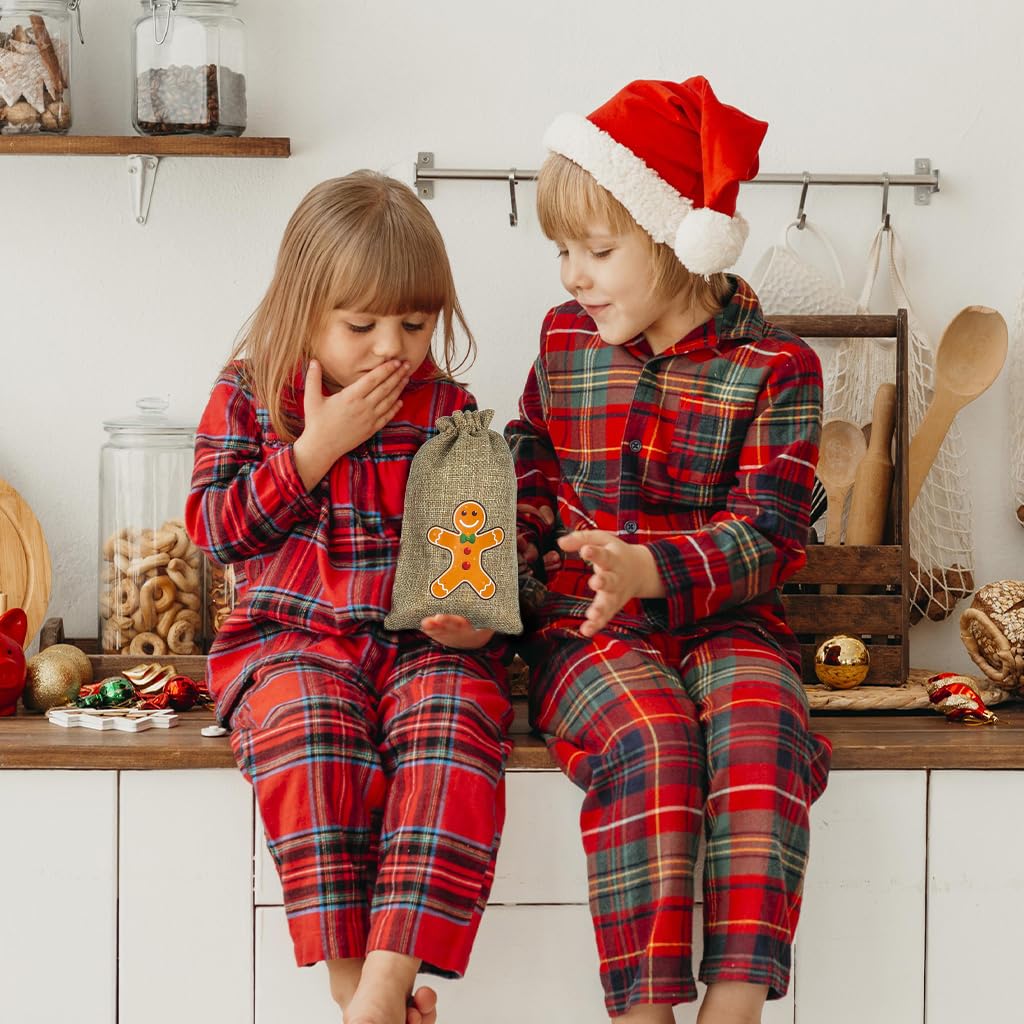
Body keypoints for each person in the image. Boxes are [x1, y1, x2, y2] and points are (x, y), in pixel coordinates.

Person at [504, 77, 833, 1023]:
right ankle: (645, 1013)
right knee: (651, 743)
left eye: (598, 250)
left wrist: (653, 567)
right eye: (563, 250)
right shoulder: (567, 344)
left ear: (680, 241)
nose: (572, 274)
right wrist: (491, 586)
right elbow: (530, 469)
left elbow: (770, 533)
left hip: (732, 624)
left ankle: (734, 1010)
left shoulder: (777, 370)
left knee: (763, 730)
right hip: (589, 630)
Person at [185, 171, 511, 1024]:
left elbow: (474, 562)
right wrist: (311, 451)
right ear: (303, 307)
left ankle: (383, 983)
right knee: (309, 729)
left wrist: (471, 630)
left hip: (415, 649)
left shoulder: (448, 410)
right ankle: (354, 990)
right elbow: (215, 529)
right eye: (360, 325)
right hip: (289, 643)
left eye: (413, 322)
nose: (389, 348)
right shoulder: (250, 392)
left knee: (457, 722)